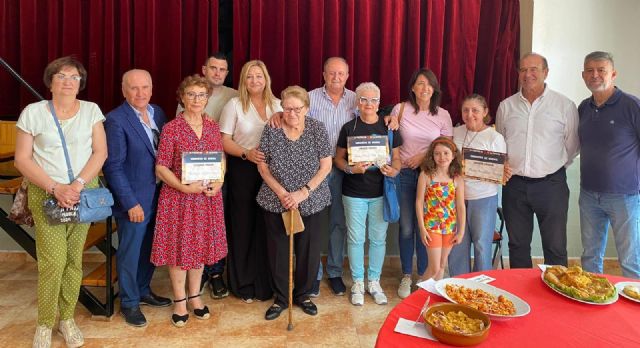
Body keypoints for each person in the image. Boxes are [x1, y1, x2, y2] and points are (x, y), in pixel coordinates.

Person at [14, 56, 107, 348]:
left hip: (82, 193)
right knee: (53, 261)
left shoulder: (91, 111)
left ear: (81, 83)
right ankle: (44, 323)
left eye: (74, 77)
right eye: (62, 76)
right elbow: (22, 159)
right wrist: (56, 188)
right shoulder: (33, 112)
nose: (68, 81)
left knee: (73, 260)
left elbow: (100, 153)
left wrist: (76, 186)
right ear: (50, 81)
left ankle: (66, 319)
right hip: (47, 193)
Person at [151, 75, 227, 327]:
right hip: (178, 199)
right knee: (178, 251)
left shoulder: (213, 126)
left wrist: (219, 182)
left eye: (201, 95)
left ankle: (195, 297)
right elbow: (161, 168)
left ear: (208, 98)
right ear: (182, 97)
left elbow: (220, 159)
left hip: (207, 199)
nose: (196, 100)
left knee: (200, 249)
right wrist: (184, 187)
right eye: (191, 94)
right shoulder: (171, 128)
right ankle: (180, 300)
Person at [496, 52, 579, 268]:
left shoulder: (564, 105)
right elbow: (500, 145)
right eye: (523, 70)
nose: (528, 74)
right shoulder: (506, 107)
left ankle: (555, 298)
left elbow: (572, 146)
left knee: (555, 246)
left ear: (545, 72)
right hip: (514, 185)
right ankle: (521, 297)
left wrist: (550, 168)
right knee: (517, 245)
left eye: (534, 69)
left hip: (551, 185)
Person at [256, 86, 332, 320]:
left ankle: (302, 295)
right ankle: (281, 297)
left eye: (297, 108)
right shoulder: (272, 129)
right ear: (282, 109)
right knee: (278, 252)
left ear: (306, 108)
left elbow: (326, 165)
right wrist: (281, 193)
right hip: (275, 200)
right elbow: (263, 165)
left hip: (312, 200)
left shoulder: (317, 128)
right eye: (287, 108)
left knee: (309, 252)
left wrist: (302, 192)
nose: (292, 113)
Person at [103, 69, 171, 327]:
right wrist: (130, 203)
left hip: (160, 196)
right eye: (134, 88)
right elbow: (113, 167)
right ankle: (129, 302)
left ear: (152, 89)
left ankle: (143, 290)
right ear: (124, 90)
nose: (140, 93)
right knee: (130, 252)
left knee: (149, 248)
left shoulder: (158, 113)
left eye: (145, 87)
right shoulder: (116, 120)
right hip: (135, 200)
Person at [219, 60, 281, 302]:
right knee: (243, 227)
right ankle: (243, 284)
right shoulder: (234, 105)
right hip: (243, 169)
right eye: (249, 77)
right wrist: (246, 153)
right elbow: (224, 140)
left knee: (267, 228)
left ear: (266, 79)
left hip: (272, 173)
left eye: (259, 76)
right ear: (243, 80)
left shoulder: (277, 105)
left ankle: (265, 284)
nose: (255, 81)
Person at [334, 82, 402, 306]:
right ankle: (357, 283)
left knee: (378, 239)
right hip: (353, 193)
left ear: (379, 103)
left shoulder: (389, 128)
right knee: (355, 239)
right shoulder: (348, 128)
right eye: (364, 99)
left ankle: (374, 281)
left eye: (373, 100)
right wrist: (350, 169)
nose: (368, 104)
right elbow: (338, 158)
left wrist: (395, 169)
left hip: (380, 192)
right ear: (357, 102)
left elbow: (397, 158)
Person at [177, 53, 238, 299]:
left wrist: (219, 177)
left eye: (222, 69)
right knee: (193, 228)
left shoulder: (234, 96)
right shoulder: (189, 94)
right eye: (213, 68)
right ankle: (197, 276)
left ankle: (215, 274)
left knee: (214, 226)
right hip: (189, 176)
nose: (217, 73)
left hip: (219, 172)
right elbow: (176, 135)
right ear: (204, 69)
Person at [389, 68, 452, 298]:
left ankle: (427, 275)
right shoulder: (401, 109)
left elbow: (447, 147)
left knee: (429, 229)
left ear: (434, 88)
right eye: (420, 83)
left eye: (429, 84)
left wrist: (424, 156)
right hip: (405, 175)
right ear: (413, 87)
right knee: (407, 228)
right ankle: (407, 274)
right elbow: (391, 133)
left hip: (433, 178)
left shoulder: (443, 114)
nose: (425, 88)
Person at [578, 51, 640, 279]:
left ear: (613, 74)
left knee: (630, 259)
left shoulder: (632, 106)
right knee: (590, 257)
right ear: (583, 75)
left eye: (601, 70)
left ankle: (634, 313)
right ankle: (592, 307)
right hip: (588, 195)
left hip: (624, 196)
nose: (595, 75)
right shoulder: (583, 108)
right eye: (590, 70)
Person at [307, 57, 357, 296]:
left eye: (341, 73)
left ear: (347, 75)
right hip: (315, 170)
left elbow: (375, 118)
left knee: (339, 222)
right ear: (323, 74)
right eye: (332, 73)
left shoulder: (357, 99)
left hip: (344, 170)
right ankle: (314, 274)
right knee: (315, 224)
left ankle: (335, 272)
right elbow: (291, 117)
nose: (336, 78)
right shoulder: (309, 97)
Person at [448, 94, 508, 276]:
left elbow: (500, 170)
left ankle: (481, 287)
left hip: (483, 198)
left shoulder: (495, 137)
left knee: (482, 244)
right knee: (457, 243)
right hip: (456, 197)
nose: (470, 114)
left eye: (475, 110)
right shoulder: (455, 132)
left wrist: (503, 172)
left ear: (485, 112)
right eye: (466, 110)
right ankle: (458, 284)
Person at [416, 137, 466, 280]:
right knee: (434, 268)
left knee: (442, 265)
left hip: (449, 227)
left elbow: (460, 206)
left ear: (453, 155)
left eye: (446, 153)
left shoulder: (457, 179)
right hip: (432, 227)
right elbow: (419, 202)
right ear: (432, 156)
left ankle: (433, 297)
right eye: (437, 153)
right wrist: (422, 228)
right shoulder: (426, 176)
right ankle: (419, 296)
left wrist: (461, 231)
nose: (442, 157)